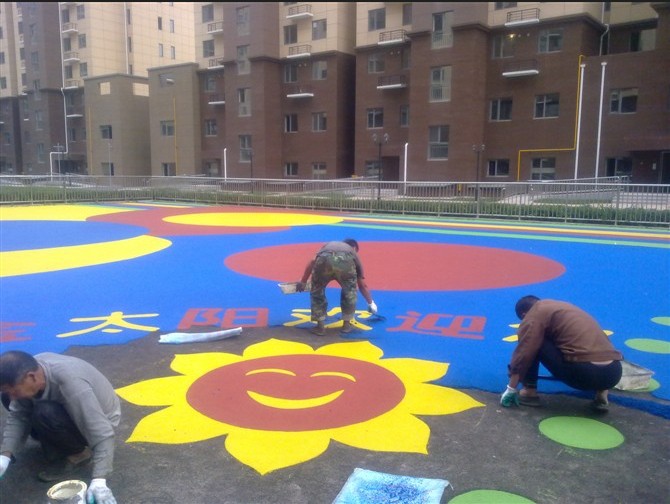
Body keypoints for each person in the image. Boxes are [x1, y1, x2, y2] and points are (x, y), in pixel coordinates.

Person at [0, 351, 120, 504]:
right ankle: (57, 440)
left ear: (32, 377)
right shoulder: (28, 371)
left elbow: (102, 433)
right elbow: (18, 415)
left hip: (97, 418)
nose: (13, 396)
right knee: (9, 398)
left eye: (15, 391)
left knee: (44, 412)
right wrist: (4, 456)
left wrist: (99, 481)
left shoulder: (72, 383)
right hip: (65, 410)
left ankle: (79, 453)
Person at [501, 296, 623, 412]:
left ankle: (529, 391)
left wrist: (511, 388)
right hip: (613, 373)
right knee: (590, 345)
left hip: (585, 374)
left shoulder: (535, 314)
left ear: (524, 315)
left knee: (533, 340)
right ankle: (602, 393)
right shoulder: (564, 308)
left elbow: (525, 351)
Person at [297, 238, 377, 335]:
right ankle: (346, 325)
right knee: (349, 291)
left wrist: (303, 281)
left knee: (317, 289)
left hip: (324, 259)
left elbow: (312, 261)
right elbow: (362, 285)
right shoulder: (353, 254)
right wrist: (370, 303)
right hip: (346, 264)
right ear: (354, 248)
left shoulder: (327, 245)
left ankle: (320, 326)